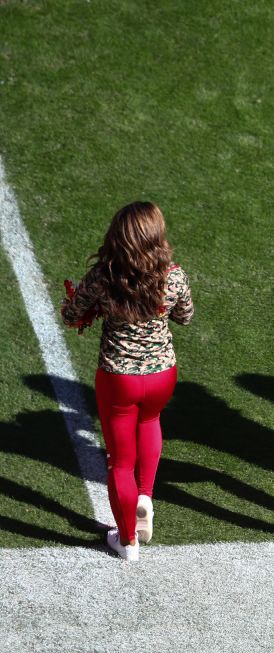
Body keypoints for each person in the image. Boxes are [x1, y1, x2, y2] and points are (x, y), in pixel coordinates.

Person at [61, 201, 194, 561]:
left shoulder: (104, 277)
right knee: (151, 422)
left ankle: (128, 541)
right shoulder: (175, 275)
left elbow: (71, 313)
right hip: (162, 374)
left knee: (120, 462)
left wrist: (80, 304)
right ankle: (145, 497)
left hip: (119, 377)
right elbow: (186, 316)